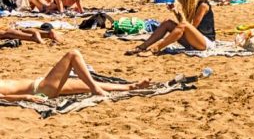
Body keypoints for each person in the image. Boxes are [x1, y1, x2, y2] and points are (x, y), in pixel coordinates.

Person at [0, 50, 152, 100]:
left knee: (83, 86)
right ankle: (95, 89)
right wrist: (25, 97)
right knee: (73, 54)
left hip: (40, 85)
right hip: (40, 88)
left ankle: (131, 86)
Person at [127, 0, 215, 56]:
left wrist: (179, 28)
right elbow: (187, 28)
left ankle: (155, 49)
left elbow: (191, 27)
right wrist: (175, 11)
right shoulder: (192, 6)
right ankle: (142, 46)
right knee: (167, 22)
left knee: (183, 25)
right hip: (194, 41)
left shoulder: (202, 5)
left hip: (205, 42)